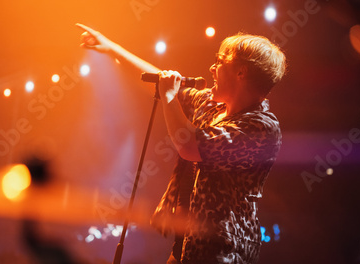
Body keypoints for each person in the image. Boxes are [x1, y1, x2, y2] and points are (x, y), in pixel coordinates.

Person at [76, 23, 286, 264]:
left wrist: (168, 96)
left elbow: (191, 147)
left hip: (223, 251)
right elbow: (157, 83)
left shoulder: (260, 127)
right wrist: (112, 48)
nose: (212, 67)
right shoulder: (213, 104)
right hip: (187, 245)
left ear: (241, 72)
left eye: (219, 61)